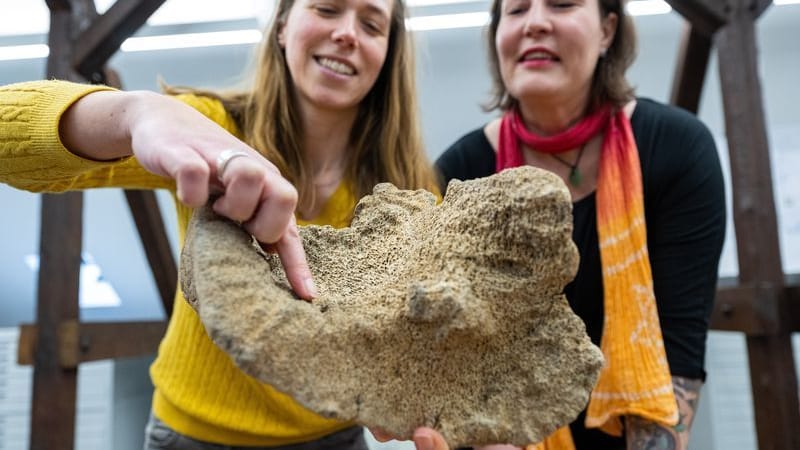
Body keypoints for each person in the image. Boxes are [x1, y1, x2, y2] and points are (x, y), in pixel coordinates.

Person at [0, 0, 453, 448]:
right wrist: (135, 116)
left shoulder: (407, 193)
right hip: (192, 435)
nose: (348, 33)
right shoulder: (214, 131)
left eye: (372, 24)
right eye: (327, 9)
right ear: (281, 26)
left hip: (333, 436)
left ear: (388, 52)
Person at [435, 0, 726, 447]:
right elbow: (451, 371)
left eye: (562, 4)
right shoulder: (458, 176)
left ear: (608, 30)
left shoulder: (677, 150)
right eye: (515, 11)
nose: (535, 23)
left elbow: (678, 355)